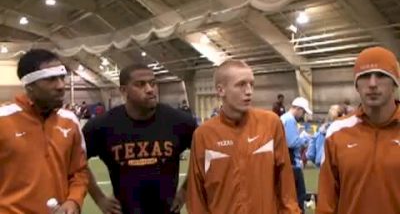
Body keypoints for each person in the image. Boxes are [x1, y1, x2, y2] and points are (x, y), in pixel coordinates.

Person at [187, 59, 300, 214]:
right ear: (221, 90)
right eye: (241, 85)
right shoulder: (203, 135)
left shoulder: (270, 124)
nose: (249, 91)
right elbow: (196, 197)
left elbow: (286, 185)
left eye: (251, 84)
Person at [83, 64, 197, 214]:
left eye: (153, 83)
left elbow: (203, 157)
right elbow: (76, 162)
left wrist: (184, 192)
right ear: (124, 91)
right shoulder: (101, 126)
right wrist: (99, 198)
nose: (150, 89)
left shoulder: (179, 121)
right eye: (140, 85)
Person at [0, 49, 88, 213]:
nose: (61, 86)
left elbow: (78, 172)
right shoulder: (3, 120)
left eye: (62, 78)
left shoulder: (70, 121)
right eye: (51, 79)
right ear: (30, 85)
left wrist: (73, 201)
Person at [317, 47, 400, 214]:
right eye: (365, 76)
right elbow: (327, 202)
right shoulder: (337, 132)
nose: (372, 84)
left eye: (382, 75)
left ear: (395, 83)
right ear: (356, 85)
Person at [280, 97, 313, 213]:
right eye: (303, 112)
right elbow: (292, 142)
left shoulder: (284, 118)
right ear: (298, 109)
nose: (302, 115)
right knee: (299, 197)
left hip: (286, 162)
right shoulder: (289, 120)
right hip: (291, 163)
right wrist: (304, 138)